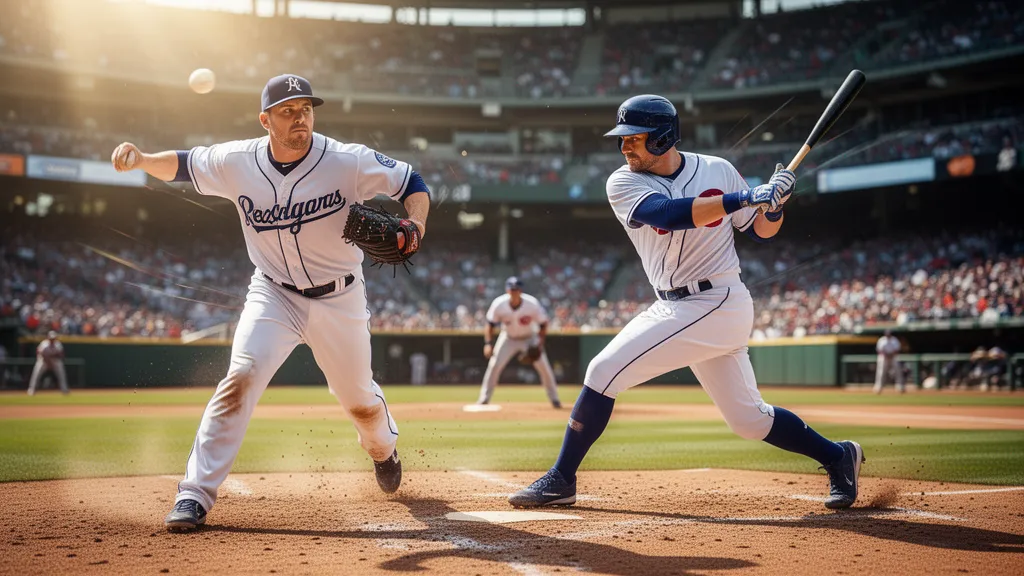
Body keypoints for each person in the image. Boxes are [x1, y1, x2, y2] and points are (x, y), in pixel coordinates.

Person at [509, 94, 864, 510]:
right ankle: (839, 456)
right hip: (674, 305)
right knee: (750, 421)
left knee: (603, 371)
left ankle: (561, 478)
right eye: (622, 139)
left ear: (662, 138)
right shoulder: (622, 182)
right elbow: (669, 214)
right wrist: (746, 197)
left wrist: (774, 205)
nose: (624, 147)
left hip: (719, 300)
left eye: (634, 138)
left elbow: (761, 231)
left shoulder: (718, 170)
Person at [111, 74, 431, 531]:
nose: (300, 118)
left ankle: (383, 450)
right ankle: (194, 494)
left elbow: (411, 181)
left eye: (306, 109)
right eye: (288, 111)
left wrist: (416, 226)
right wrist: (142, 159)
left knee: (358, 398)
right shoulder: (237, 160)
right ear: (265, 120)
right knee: (241, 376)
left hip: (340, 296)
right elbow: (183, 165)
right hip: (273, 293)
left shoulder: (347, 160)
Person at [478, 277, 561, 408]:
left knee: (544, 368)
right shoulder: (499, 304)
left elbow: (543, 324)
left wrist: (539, 345)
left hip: (529, 338)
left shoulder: (532, 303)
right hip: (508, 338)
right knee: (494, 365)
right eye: (511, 289)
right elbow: (490, 324)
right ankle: (484, 398)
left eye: (516, 289)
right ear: (507, 290)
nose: (514, 292)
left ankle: (554, 399)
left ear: (521, 290)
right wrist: (488, 343)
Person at [27, 331, 69, 395]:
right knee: (36, 373)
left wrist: (51, 356)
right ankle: (32, 389)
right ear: (48, 337)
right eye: (51, 338)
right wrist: (50, 357)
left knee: (61, 373)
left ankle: (64, 389)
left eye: (53, 338)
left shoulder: (58, 344)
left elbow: (61, 354)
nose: (52, 340)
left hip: (55, 361)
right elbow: (40, 352)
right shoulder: (44, 344)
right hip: (43, 360)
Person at [873, 329, 904, 394]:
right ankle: (878, 387)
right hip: (883, 357)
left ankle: (900, 387)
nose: (888, 335)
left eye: (889, 334)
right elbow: (879, 350)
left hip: (893, 356)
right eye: (887, 334)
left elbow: (897, 349)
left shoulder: (894, 340)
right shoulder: (881, 340)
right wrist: (886, 355)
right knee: (881, 372)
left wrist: (891, 355)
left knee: (898, 371)